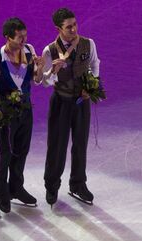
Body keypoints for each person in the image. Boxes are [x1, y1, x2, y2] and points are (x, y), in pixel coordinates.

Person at [40, 8, 101, 206]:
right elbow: (44, 81)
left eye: (75, 24)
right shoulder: (49, 50)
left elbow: (94, 64)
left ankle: (78, 185)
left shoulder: (87, 43)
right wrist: (52, 71)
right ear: (58, 28)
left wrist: (90, 86)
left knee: (80, 144)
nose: (74, 29)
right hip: (61, 102)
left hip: (81, 102)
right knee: (57, 146)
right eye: (68, 27)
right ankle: (51, 185)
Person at [0, 17, 45, 213]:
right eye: (19, 37)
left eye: (25, 35)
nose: (24, 40)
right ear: (7, 38)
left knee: (21, 150)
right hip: (6, 114)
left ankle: (16, 188)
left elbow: (36, 80)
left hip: (26, 110)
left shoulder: (29, 50)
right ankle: (2, 194)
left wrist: (41, 67)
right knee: (4, 154)